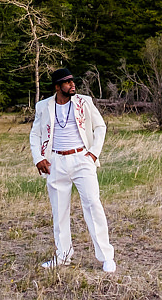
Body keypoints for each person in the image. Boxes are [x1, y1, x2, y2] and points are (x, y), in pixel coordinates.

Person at [30, 68, 116, 272]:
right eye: (67, 82)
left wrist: (94, 153)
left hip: (81, 159)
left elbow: (100, 127)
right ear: (58, 87)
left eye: (72, 81)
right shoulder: (43, 106)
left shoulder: (84, 102)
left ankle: (106, 257)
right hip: (56, 162)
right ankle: (63, 256)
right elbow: (35, 134)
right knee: (59, 211)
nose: (72, 84)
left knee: (93, 205)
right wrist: (39, 158)